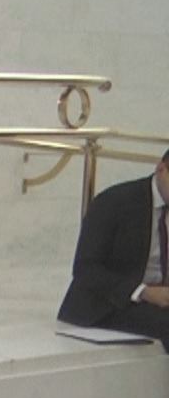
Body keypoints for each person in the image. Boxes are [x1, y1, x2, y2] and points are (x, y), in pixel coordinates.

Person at [58, 148, 169, 351]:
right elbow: (85, 269)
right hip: (109, 303)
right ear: (161, 169)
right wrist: (144, 292)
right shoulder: (115, 202)